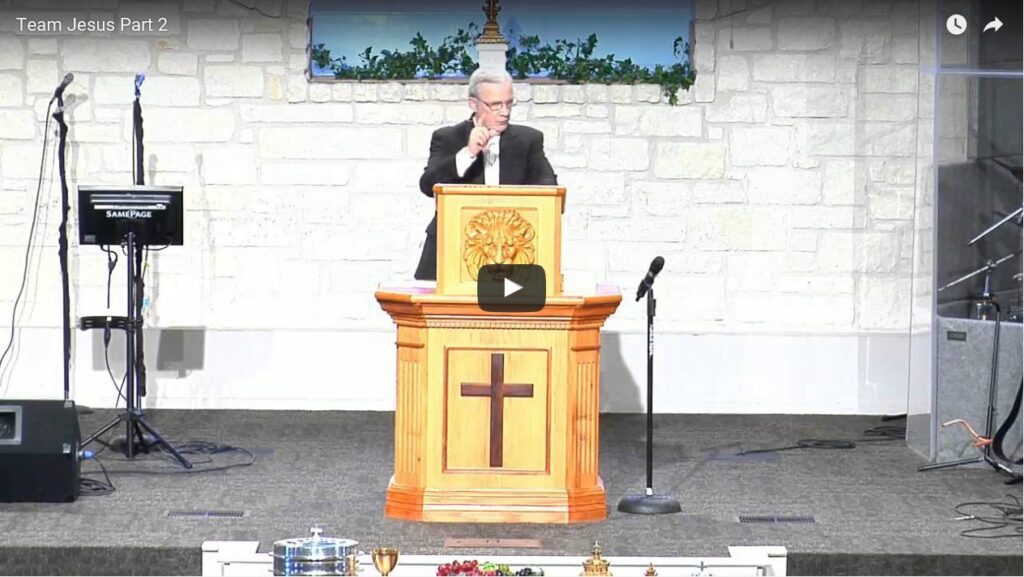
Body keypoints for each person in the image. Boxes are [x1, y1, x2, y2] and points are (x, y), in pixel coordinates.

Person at [414, 67, 557, 281]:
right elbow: (428, 185)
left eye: (509, 103)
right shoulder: (448, 138)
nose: (505, 112)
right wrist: (468, 153)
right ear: (473, 104)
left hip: (512, 256)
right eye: (496, 105)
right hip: (450, 250)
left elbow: (549, 190)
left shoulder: (529, 141)